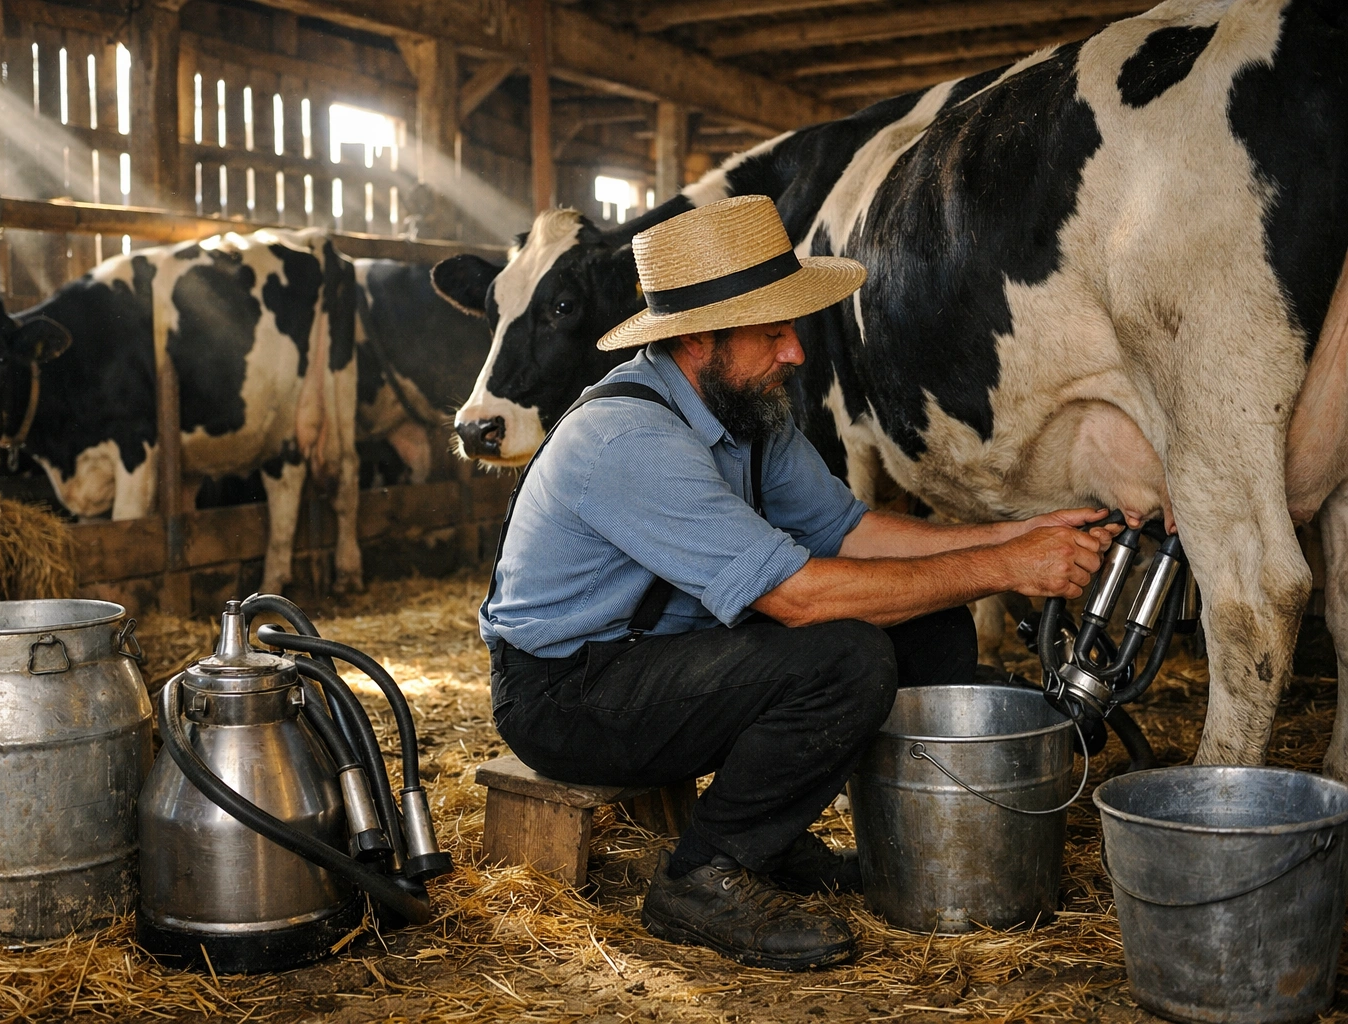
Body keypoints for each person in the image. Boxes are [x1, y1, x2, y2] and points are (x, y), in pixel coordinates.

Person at [480, 195, 1123, 971]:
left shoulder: (747, 408)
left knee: (929, 621)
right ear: (699, 340)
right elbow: (802, 598)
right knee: (848, 657)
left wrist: (1013, 537)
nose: (796, 353)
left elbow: (849, 532)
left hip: (664, 656)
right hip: (566, 695)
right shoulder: (629, 438)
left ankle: (826, 839)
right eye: (773, 332)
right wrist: (1004, 571)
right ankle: (702, 875)